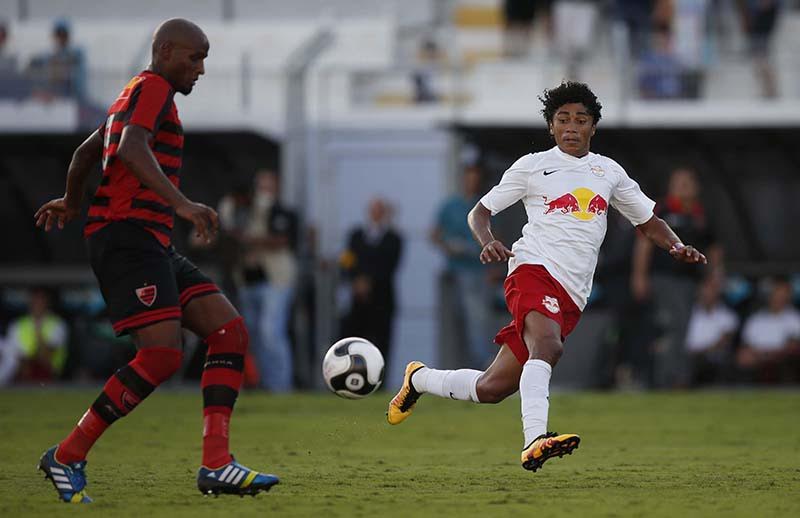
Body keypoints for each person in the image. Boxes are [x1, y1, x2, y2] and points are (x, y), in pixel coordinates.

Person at [387, 81, 707, 473]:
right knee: (548, 345)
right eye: (563, 119)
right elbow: (479, 213)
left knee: (492, 388)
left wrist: (676, 246)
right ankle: (535, 440)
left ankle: (419, 379)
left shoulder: (608, 172)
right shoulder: (532, 165)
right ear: (551, 126)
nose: (571, 127)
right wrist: (488, 241)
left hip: (573, 292)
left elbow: (648, 221)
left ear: (593, 127)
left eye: (581, 120)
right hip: (532, 270)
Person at [32, 19, 278, 503]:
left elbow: (87, 151)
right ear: (165, 51)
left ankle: (216, 464)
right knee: (162, 354)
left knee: (228, 331)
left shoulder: (132, 94)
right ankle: (67, 454)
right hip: (127, 238)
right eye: (194, 57)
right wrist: (182, 204)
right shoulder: (154, 90)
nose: (200, 69)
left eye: (204, 59)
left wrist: (72, 200)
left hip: (148, 240)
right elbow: (129, 147)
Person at [631, 167, 721, 388]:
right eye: (678, 183)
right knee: (672, 325)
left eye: (687, 183)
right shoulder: (661, 210)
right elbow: (644, 244)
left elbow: (714, 250)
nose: (683, 187)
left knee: (683, 328)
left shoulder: (702, 214)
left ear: (696, 187)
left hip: (691, 281)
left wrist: (713, 280)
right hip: (664, 278)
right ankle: (667, 380)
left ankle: (677, 378)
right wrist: (639, 276)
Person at [219, 170, 298, 392]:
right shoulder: (229, 208)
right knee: (252, 336)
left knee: (271, 332)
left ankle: (281, 386)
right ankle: (264, 383)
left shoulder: (271, 206)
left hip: (275, 278)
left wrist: (248, 240)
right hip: (246, 279)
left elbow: (282, 239)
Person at [432, 165, 493, 368]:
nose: (471, 183)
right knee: (453, 324)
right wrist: (449, 246)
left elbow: (496, 238)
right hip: (452, 274)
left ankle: (480, 367)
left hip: (476, 272)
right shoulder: (450, 206)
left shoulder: (485, 205)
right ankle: (456, 367)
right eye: (469, 179)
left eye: (475, 179)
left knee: (477, 322)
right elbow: (434, 234)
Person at [339, 198, 403, 372]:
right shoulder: (356, 236)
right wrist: (356, 280)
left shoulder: (394, 238)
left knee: (381, 342)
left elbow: (389, 266)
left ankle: (379, 378)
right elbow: (347, 262)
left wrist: (369, 282)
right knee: (355, 342)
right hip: (358, 301)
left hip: (382, 300)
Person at [736, 277, 800, 383]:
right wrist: (760, 356)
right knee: (743, 357)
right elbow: (746, 347)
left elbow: (793, 347)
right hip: (757, 362)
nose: (779, 298)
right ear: (769, 295)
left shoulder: (795, 318)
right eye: (777, 294)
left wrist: (770, 356)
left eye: (783, 295)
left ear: (788, 297)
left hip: (782, 362)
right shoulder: (756, 319)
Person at [5, 287, 68, 382]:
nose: (38, 304)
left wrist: (38, 329)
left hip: (49, 376)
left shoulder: (58, 324)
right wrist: (25, 365)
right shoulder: (17, 325)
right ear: (29, 302)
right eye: (35, 301)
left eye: (41, 301)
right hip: (21, 375)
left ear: (48, 303)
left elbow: (47, 356)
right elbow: (12, 356)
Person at [685, 273, 738, 385]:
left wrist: (701, 352)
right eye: (704, 289)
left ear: (717, 292)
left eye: (711, 290)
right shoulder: (688, 313)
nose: (707, 293)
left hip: (712, 357)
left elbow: (724, 341)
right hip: (687, 355)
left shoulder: (727, 316)